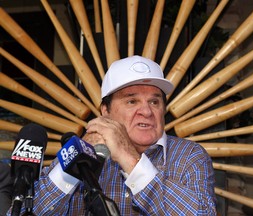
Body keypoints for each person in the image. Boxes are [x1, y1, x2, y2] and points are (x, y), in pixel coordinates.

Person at [8, 55, 217, 215]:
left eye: (154, 102)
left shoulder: (189, 155)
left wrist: (129, 159)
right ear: (105, 111)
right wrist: (71, 167)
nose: (146, 111)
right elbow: (23, 211)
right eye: (131, 101)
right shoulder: (81, 151)